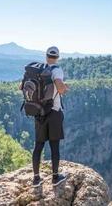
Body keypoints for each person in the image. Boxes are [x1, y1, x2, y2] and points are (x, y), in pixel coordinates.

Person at [31, 46, 69, 187]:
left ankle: (36, 179)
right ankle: (55, 177)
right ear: (57, 57)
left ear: (46, 56)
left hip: (40, 112)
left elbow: (21, 87)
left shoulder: (40, 70)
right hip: (54, 112)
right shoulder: (56, 70)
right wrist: (64, 88)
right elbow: (59, 87)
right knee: (54, 145)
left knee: (38, 145)